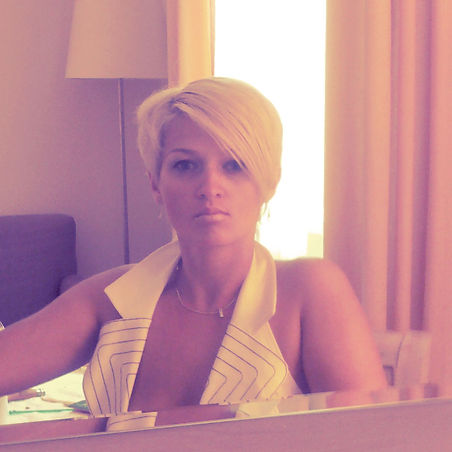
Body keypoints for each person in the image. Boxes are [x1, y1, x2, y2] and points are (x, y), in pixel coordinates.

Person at [0, 77, 386, 431]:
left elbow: (376, 437)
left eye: (234, 166)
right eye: (186, 165)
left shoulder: (311, 289)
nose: (210, 186)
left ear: (268, 182)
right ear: (155, 183)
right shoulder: (111, 297)